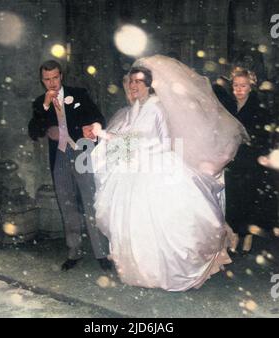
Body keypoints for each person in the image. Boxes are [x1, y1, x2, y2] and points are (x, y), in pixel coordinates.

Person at [90, 55, 248, 291]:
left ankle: (172, 273)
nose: (133, 86)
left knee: (164, 222)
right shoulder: (136, 108)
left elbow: (137, 141)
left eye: (138, 82)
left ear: (148, 85)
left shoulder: (154, 106)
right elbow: (128, 140)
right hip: (138, 168)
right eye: (131, 81)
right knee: (138, 223)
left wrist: (102, 135)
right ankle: (147, 271)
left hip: (158, 166)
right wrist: (107, 140)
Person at [28, 60, 111, 271]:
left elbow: (98, 117)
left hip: (82, 152)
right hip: (60, 156)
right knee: (67, 204)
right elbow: (34, 130)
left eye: (55, 77)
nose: (52, 83)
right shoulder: (40, 103)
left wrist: (93, 127)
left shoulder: (79, 94)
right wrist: (45, 109)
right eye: (47, 79)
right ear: (42, 80)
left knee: (91, 201)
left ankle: (102, 253)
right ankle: (74, 252)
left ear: (61, 76)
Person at [224, 67, 278, 253]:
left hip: (250, 162)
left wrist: (249, 140)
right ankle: (235, 234)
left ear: (250, 87)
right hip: (231, 161)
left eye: (243, 86)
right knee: (231, 199)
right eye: (236, 85)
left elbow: (264, 136)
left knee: (247, 199)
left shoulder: (258, 109)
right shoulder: (228, 107)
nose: (239, 89)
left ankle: (246, 235)